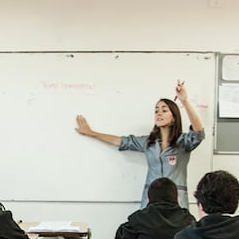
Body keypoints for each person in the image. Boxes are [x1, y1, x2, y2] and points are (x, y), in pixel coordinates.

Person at [75, 80, 205, 207]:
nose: (159, 113)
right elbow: (120, 141)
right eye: (156, 110)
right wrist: (91, 132)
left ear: (174, 118)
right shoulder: (149, 142)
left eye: (164, 110)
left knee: (178, 228)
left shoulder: (183, 142)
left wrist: (185, 101)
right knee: (146, 228)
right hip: (151, 199)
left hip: (176, 199)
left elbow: (198, 132)